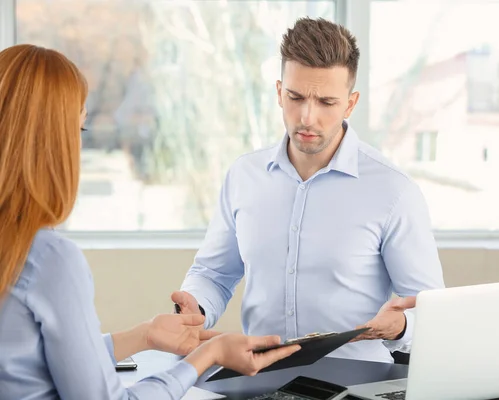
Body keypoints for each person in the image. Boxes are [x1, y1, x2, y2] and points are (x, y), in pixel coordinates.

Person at [0, 44, 299, 400]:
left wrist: (144, 336)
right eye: (77, 132)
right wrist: (210, 354)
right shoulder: (49, 259)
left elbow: (29, 358)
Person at [172, 17, 445, 364]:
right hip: (258, 377)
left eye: (327, 102)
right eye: (295, 97)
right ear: (278, 92)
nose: (306, 117)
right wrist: (194, 305)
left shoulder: (393, 191)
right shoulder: (245, 176)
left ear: (350, 103)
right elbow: (214, 274)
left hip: (357, 382)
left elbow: (435, 313)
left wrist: (402, 325)